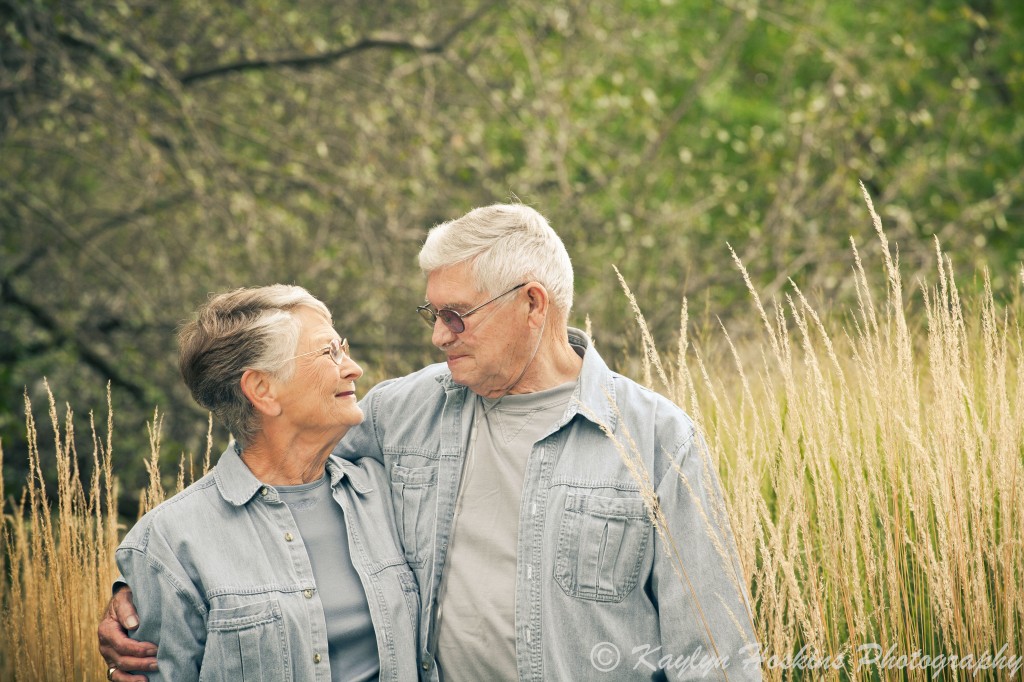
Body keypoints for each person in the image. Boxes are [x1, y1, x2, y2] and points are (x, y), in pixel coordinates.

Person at [101, 205, 761, 680]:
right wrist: (142, 593)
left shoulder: (655, 438)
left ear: (534, 304)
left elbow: (714, 652)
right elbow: (275, 475)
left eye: (457, 316)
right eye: (432, 315)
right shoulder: (399, 413)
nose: (439, 336)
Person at [100, 285, 419, 682]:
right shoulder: (168, 543)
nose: (353, 367)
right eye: (328, 352)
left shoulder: (393, 492)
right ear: (262, 390)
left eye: (344, 347)